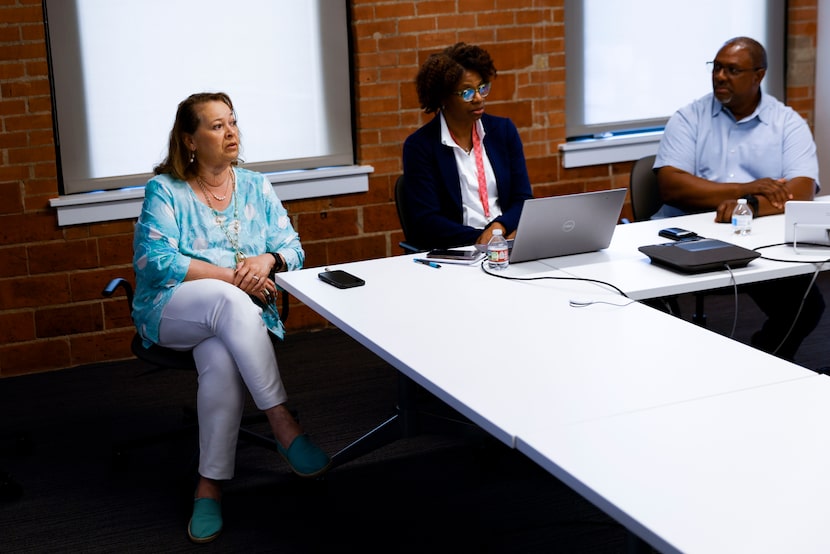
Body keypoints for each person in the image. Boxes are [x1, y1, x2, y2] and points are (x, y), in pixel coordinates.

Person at [132, 92, 330, 544]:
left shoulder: (257, 187)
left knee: (220, 358)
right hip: (170, 307)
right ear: (190, 141)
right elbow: (155, 261)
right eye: (217, 125)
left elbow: (294, 251)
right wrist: (230, 277)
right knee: (228, 300)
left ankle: (209, 488)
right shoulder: (165, 190)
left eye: (233, 122)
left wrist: (267, 260)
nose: (231, 132)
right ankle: (282, 422)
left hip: (234, 321)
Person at [654, 36, 825, 361]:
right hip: (685, 239)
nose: (720, 76)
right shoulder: (689, 117)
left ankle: (761, 363)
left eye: (732, 70)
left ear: (758, 75)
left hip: (754, 243)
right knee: (649, 303)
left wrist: (748, 206)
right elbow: (672, 187)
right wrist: (748, 190)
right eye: (716, 67)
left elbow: (800, 192)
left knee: (807, 305)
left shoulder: (787, 122)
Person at [402, 42, 533, 250]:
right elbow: (427, 222)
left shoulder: (503, 131)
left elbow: (523, 198)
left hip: (506, 243)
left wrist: (500, 228)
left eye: (482, 88)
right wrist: (484, 238)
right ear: (443, 97)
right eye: (467, 93)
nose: (479, 98)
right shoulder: (420, 147)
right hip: (459, 250)